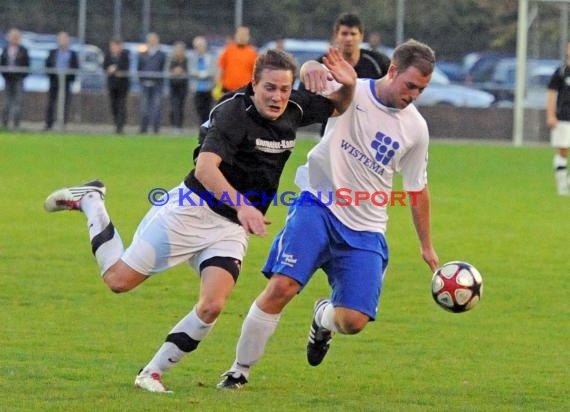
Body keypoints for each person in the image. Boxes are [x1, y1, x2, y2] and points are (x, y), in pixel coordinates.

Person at [43, 48, 357, 393]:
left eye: (284, 89)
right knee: (118, 280)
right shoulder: (232, 112)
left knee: (212, 305)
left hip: (230, 227)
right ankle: (91, 201)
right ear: (253, 84)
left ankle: (151, 372)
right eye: (269, 88)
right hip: (189, 211)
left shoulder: (294, 106)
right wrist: (243, 206)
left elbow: (338, 104)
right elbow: (205, 169)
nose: (278, 97)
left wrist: (347, 81)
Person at [217, 39, 440, 390]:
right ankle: (238, 370)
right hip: (317, 204)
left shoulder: (416, 129)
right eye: (410, 85)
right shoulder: (352, 88)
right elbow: (307, 75)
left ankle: (323, 318)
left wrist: (427, 246)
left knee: (353, 321)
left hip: (366, 227)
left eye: (421, 89)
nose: (414, 94)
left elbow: (417, 188)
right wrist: (311, 67)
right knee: (282, 286)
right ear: (393, 71)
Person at [301, 12, 390, 136]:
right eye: (344, 33)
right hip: (332, 133)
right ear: (336, 35)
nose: (349, 38)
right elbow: (304, 97)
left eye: (353, 34)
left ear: (361, 36)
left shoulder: (378, 62)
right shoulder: (323, 64)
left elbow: (392, 90)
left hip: (368, 134)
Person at [546, 42, 570, 196]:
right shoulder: (561, 72)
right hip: (563, 117)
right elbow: (551, 94)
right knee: (563, 151)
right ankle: (562, 187)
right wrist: (550, 114)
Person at [44, 31, 79, 131]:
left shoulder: (72, 54)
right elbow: (48, 65)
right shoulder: (52, 52)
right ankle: (48, 124)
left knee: (65, 103)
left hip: (66, 82)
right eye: (60, 39)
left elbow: (75, 67)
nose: (62, 41)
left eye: (64, 39)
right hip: (54, 81)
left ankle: (62, 124)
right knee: (51, 103)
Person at [1, 28, 30, 130]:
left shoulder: (23, 50)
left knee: (18, 101)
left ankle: (16, 124)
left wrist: (22, 75)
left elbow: (27, 65)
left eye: (16, 37)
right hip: (8, 79)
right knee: (6, 102)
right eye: (12, 37)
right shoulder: (5, 49)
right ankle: (4, 123)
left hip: (19, 79)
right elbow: (2, 63)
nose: (14, 39)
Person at [138, 32, 167, 134]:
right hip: (145, 84)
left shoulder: (161, 55)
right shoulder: (142, 54)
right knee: (144, 108)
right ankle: (143, 129)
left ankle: (156, 129)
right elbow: (139, 68)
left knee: (156, 107)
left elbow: (163, 68)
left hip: (156, 85)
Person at [217, 26, 257, 94]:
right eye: (240, 34)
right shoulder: (228, 50)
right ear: (235, 36)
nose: (242, 37)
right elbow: (221, 69)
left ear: (248, 37)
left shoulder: (253, 53)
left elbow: (255, 73)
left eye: (244, 35)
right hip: (228, 89)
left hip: (245, 90)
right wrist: (218, 85)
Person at [103, 38, 130, 134]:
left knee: (121, 105)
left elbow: (125, 67)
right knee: (113, 105)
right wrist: (109, 69)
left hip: (122, 85)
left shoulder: (125, 55)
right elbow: (104, 66)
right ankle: (116, 123)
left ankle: (120, 126)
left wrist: (116, 69)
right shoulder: (108, 55)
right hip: (112, 85)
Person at [189, 36, 216, 125]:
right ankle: (202, 126)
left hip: (208, 87)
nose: (199, 48)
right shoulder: (192, 58)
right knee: (199, 109)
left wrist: (206, 74)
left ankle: (207, 126)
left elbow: (214, 70)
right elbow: (190, 70)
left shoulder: (210, 57)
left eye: (201, 45)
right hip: (197, 87)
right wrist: (198, 74)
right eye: (198, 46)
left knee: (208, 109)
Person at [168, 41, 189, 133]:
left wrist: (183, 72)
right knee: (174, 106)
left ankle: (179, 126)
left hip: (183, 86)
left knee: (180, 106)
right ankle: (174, 125)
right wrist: (174, 72)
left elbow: (189, 71)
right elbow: (168, 70)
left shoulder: (186, 60)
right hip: (173, 86)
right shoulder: (172, 61)